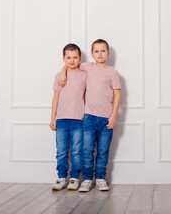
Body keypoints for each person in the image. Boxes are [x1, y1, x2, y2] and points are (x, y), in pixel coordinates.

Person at [58, 39, 121, 191]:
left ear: (108, 53)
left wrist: (113, 116)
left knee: (103, 150)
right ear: (92, 54)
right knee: (86, 149)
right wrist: (62, 72)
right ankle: (87, 179)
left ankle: (100, 178)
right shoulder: (88, 67)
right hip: (88, 117)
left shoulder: (112, 72)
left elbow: (117, 95)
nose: (100, 54)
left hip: (106, 118)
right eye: (97, 51)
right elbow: (70, 64)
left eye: (103, 51)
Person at [50, 43, 87, 191]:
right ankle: (61, 177)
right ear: (63, 58)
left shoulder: (85, 75)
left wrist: (64, 69)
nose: (72, 60)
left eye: (75, 57)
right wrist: (53, 118)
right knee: (61, 151)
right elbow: (56, 98)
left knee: (77, 151)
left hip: (78, 119)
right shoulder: (59, 77)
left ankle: (74, 178)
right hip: (61, 120)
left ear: (80, 58)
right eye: (68, 58)